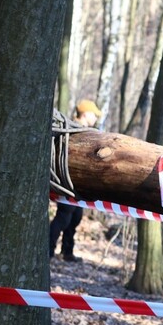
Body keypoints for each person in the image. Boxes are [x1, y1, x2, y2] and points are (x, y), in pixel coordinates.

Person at [49, 99, 101, 262]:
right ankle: (47, 251)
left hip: (76, 184)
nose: (96, 118)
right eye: (94, 115)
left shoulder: (85, 131)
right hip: (67, 182)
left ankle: (67, 251)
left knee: (75, 216)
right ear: (85, 114)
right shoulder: (72, 130)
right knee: (64, 217)